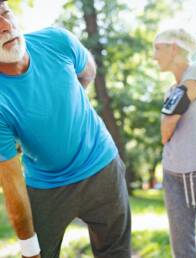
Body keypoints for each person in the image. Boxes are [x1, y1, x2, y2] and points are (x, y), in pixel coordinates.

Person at [0, 1, 131, 257]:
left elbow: (87, 72)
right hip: (46, 186)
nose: (5, 26)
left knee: (116, 252)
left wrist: (66, 107)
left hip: (102, 166)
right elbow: (12, 181)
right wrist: (29, 248)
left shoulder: (57, 40)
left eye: (5, 14)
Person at [153, 28, 196, 258]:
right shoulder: (170, 91)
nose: (154, 56)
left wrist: (168, 120)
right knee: (182, 250)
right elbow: (165, 133)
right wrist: (168, 120)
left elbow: (168, 123)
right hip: (174, 174)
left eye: (157, 48)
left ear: (173, 48)